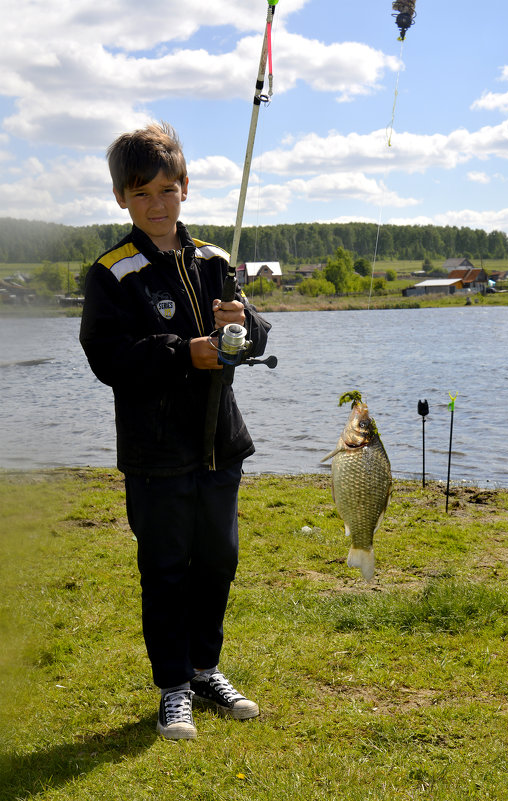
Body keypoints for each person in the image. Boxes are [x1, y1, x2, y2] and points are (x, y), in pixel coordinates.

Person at [80, 121, 271, 740]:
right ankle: (172, 689)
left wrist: (245, 325)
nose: (156, 205)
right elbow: (108, 357)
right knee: (166, 568)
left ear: (185, 187)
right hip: (155, 451)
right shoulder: (112, 272)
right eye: (141, 194)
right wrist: (182, 352)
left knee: (218, 561)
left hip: (221, 444)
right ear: (121, 200)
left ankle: (204, 668)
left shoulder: (215, 261)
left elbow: (253, 340)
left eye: (166, 190)